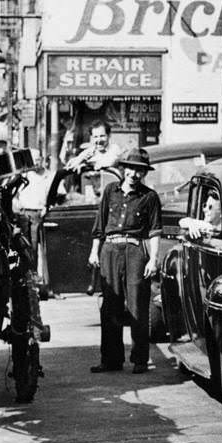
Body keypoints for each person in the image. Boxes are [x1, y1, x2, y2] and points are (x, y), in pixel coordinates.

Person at [88, 148, 162, 374]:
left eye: (139, 170)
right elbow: (100, 226)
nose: (133, 174)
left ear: (144, 173)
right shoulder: (110, 191)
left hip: (135, 251)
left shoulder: (149, 197)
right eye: (130, 168)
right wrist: (94, 252)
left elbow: (155, 231)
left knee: (137, 305)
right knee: (110, 305)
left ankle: (140, 359)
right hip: (110, 250)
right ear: (123, 169)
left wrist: (153, 259)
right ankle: (111, 359)